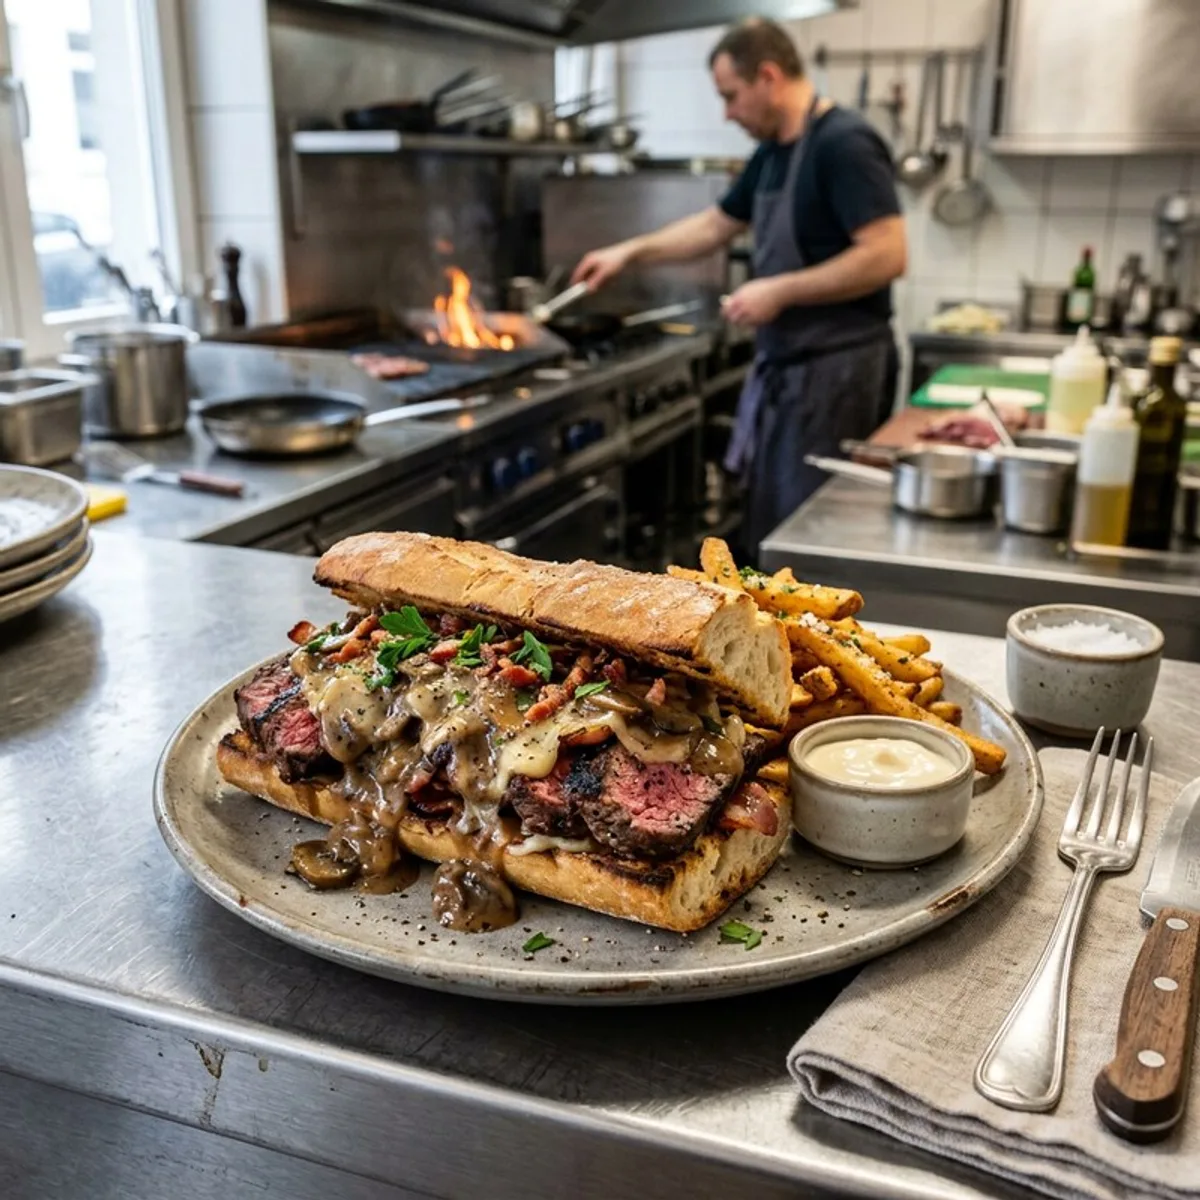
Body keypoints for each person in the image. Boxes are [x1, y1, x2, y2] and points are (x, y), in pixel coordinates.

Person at [571, 18, 907, 554]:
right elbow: (714, 226)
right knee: (773, 528)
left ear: (768, 76)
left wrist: (779, 291)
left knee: (808, 538)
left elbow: (887, 254)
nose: (727, 113)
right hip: (789, 372)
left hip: (835, 373)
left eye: (730, 95)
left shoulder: (843, 143)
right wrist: (628, 252)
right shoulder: (774, 152)